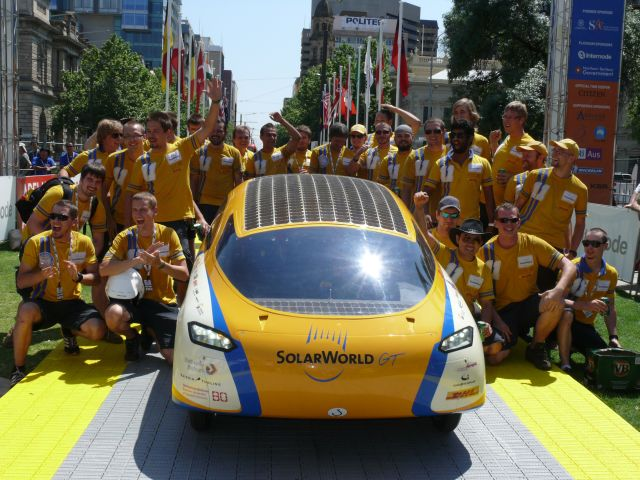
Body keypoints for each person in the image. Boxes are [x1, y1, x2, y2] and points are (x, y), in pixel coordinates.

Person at [125, 77, 221, 284]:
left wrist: (215, 102)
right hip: (152, 222)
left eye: (156, 131)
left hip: (180, 221)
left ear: (168, 132)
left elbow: (206, 129)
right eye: (148, 131)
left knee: (183, 271)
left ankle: (182, 308)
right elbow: (131, 196)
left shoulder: (182, 149)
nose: (150, 136)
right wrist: (127, 225)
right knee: (153, 270)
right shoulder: (142, 161)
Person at [10, 200, 107, 387]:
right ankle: (18, 369)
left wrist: (79, 277)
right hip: (43, 303)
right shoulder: (37, 242)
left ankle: (68, 329)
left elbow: (95, 278)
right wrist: (41, 275)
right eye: (53, 216)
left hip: (72, 304)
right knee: (25, 311)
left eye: (62, 217)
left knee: (98, 331)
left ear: (74, 222)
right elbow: (21, 281)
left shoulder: (84, 242)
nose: (55, 221)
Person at [479, 203, 576, 369]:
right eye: (503, 220)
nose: (508, 224)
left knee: (557, 302)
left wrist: (557, 290)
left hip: (528, 302)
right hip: (503, 310)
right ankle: (511, 337)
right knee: (494, 357)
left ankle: (536, 346)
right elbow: (482, 297)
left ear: (519, 222)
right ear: (495, 223)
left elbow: (570, 266)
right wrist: (498, 321)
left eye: (513, 220)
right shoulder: (485, 251)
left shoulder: (532, 243)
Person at [100, 192, 188, 364]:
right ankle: (133, 338)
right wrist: (135, 260)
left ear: (155, 211)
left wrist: (160, 264)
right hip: (135, 302)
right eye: (134, 210)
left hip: (161, 302)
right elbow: (103, 269)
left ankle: (149, 331)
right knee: (112, 315)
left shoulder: (168, 234)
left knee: (172, 358)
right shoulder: (125, 236)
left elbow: (184, 274)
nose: (137, 215)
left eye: (143, 210)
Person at [414, 192, 503, 357]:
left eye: (475, 240)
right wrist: (419, 207)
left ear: (480, 244)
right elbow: (422, 235)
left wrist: (484, 324)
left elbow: (486, 303)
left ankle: (470, 350)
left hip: (466, 317)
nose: (470, 243)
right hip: (440, 313)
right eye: (466, 239)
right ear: (459, 239)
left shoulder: (483, 269)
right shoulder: (444, 253)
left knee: (497, 348)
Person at [25, 163, 110, 315]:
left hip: (68, 249)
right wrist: (51, 249)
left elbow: (98, 241)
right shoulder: (58, 193)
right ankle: (19, 328)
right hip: (38, 244)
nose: (93, 185)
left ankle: (97, 320)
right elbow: (32, 223)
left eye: (97, 182)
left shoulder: (96, 204)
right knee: (35, 290)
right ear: (80, 180)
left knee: (89, 279)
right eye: (89, 180)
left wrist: (85, 261)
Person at [516, 138, 587, 291]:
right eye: (555, 150)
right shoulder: (536, 175)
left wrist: (572, 251)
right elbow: (518, 206)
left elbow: (580, 223)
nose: (555, 153)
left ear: (572, 158)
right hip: (525, 240)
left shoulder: (580, 189)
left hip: (553, 248)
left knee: (544, 292)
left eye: (560, 151)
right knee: (517, 288)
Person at [557, 228, 620, 372]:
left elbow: (609, 308)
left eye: (595, 244)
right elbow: (556, 300)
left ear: (605, 246)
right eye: (586, 243)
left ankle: (572, 344)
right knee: (567, 314)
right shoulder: (572, 267)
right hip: (560, 320)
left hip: (584, 326)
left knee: (605, 360)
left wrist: (613, 336)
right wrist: (585, 305)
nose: (589, 248)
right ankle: (565, 363)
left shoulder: (611, 273)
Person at [423, 119, 495, 224]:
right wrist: (426, 214)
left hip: (471, 224)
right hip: (447, 222)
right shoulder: (441, 164)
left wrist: (492, 224)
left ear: (470, 138)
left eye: (460, 136)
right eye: (453, 136)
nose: (455, 139)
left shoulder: (483, 163)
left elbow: (489, 198)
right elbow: (426, 193)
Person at [190, 120, 242, 224]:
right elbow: (194, 180)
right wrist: (193, 203)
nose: (215, 134)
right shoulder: (198, 153)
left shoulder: (234, 153)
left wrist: (237, 203)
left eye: (219, 131)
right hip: (204, 204)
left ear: (225, 133)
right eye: (213, 131)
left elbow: (238, 181)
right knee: (204, 238)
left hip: (226, 204)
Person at [489, 101, 537, 205]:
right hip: (494, 203)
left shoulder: (530, 144)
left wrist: (513, 178)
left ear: (521, 120)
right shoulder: (507, 138)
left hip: (513, 208)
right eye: (505, 116)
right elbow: (500, 161)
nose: (506, 120)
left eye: (510, 117)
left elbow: (536, 177)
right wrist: (494, 144)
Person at [104, 121, 146, 234]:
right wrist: (109, 218)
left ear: (144, 137)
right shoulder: (113, 159)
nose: (131, 140)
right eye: (127, 136)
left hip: (148, 220)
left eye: (136, 135)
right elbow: (103, 191)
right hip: (119, 220)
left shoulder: (152, 160)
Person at [401, 118, 447, 214]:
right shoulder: (414, 156)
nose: (432, 135)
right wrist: (406, 213)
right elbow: (406, 189)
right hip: (419, 213)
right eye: (428, 132)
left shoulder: (451, 154)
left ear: (444, 132)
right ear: (425, 134)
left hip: (446, 214)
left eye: (437, 131)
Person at [246, 112, 301, 177]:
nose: (272, 138)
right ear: (261, 137)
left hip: (280, 187)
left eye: (274, 135)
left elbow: (297, 137)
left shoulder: (282, 152)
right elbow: (250, 180)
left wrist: (281, 120)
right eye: (268, 135)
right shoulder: (254, 158)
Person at [378, 124, 416, 197]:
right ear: (395, 139)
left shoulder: (418, 158)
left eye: (406, 136)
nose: (403, 139)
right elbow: (381, 186)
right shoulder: (388, 160)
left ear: (412, 137)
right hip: (393, 203)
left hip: (414, 203)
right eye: (399, 136)